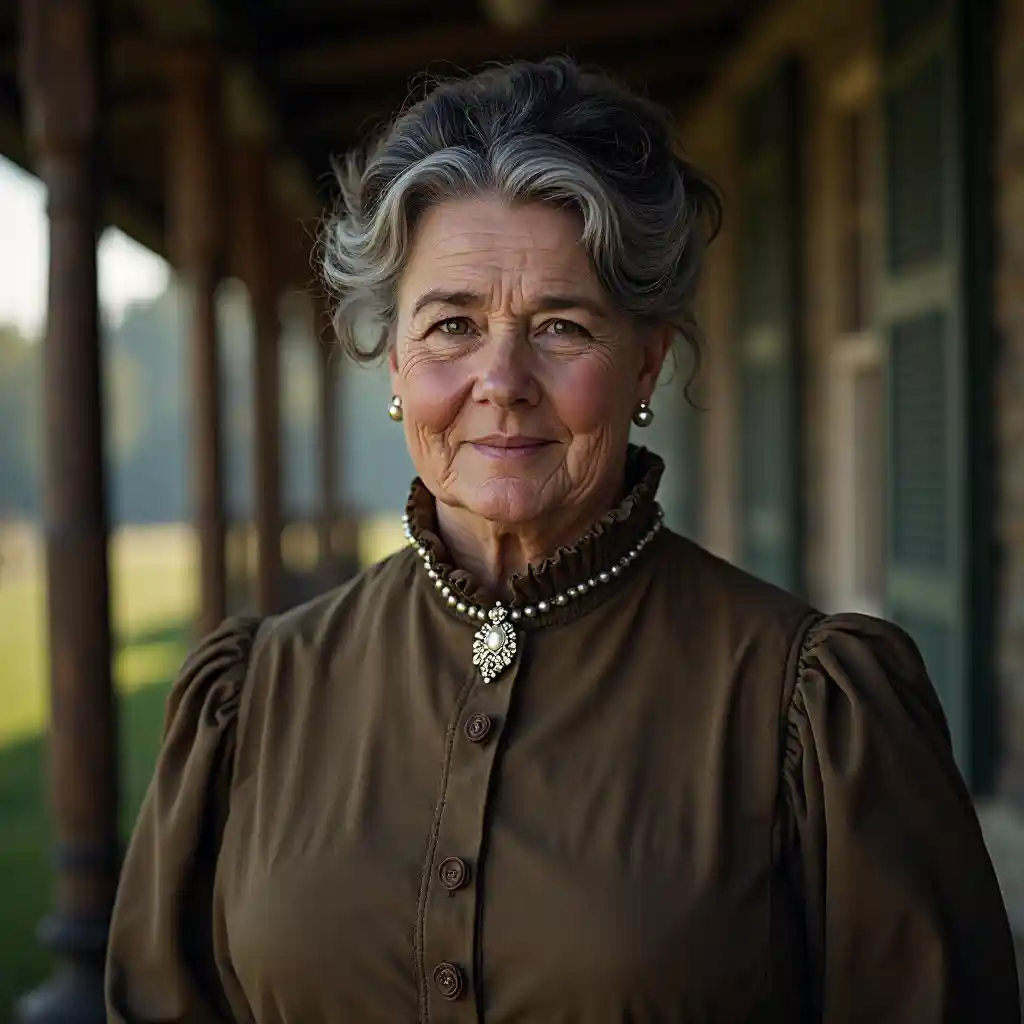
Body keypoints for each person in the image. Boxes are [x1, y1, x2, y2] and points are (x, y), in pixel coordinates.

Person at [105, 57, 1021, 1022]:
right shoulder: (257, 698)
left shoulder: (811, 709)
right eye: (452, 325)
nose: (502, 379)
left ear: (645, 365)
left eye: (561, 326)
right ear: (396, 365)